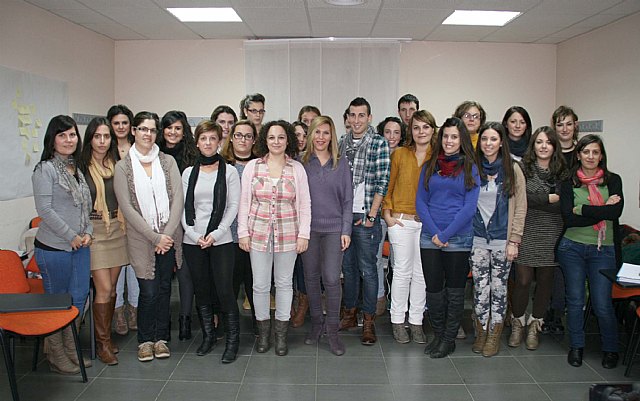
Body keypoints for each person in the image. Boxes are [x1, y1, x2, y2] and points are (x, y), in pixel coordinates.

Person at [114, 111, 184, 363]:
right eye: (143, 129)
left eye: (152, 130)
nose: (148, 134)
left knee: (165, 289)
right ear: (134, 131)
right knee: (148, 291)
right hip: (141, 239)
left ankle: (161, 338)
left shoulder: (167, 162)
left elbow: (178, 200)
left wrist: (166, 235)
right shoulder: (123, 167)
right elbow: (127, 207)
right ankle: (145, 341)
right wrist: (154, 238)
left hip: (169, 237)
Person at [237, 120, 311, 356]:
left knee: (284, 284)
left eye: (281, 137)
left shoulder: (297, 169)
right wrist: (242, 232)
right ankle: (263, 334)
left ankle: (281, 336)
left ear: (288, 140)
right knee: (259, 285)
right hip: (257, 234)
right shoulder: (253, 167)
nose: (276, 142)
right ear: (264, 141)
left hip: (289, 234)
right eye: (271, 137)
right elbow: (244, 202)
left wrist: (304, 234)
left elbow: (305, 204)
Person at [32, 115, 93, 375]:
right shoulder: (45, 169)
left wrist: (88, 232)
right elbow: (45, 209)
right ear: (52, 139)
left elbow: (86, 207)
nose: (69, 140)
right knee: (57, 301)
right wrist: (71, 235)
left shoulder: (75, 168)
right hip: (54, 248)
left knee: (78, 298)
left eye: (72, 135)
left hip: (80, 246)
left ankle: (71, 347)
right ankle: (55, 353)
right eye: (62, 135)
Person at [557, 134, 623, 369]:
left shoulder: (613, 181)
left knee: (602, 303)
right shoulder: (568, 182)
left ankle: (611, 349)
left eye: (596, 152)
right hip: (571, 248)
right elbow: (569, 219)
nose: (591, 156)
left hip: (603, 250)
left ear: (601, 156)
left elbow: (615, 214)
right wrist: (602, 208)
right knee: (575, 301)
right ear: (578, 155)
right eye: (586, 152)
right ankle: (576, 347)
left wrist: (582, 209)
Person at [416, 117, 480, 358]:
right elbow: (420, 202)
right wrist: (435, 232)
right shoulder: (430, 165)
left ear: (462, 140)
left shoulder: (471, 168)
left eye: (454, 137)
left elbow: (469, 208)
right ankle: (439, 334)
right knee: (433, 290)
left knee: (454, 291)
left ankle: (448, 339)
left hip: (458, 237)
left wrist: (445, 234)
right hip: (430, 237)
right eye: (446, 136)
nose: (449, 141)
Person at [182, 120, 241, 363]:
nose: (208, 143)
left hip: (222, 240)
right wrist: (194, 235)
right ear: (197, 142)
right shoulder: (188, 172)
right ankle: (208, 337)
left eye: (212, 138)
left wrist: (216, 234)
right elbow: (183, 209)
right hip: (193, 240)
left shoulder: (229, 172)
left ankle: (232, 341)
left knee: (225, 290)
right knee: (202, 290)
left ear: (220, 142)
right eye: (203, 138)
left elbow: (233, 206)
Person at [469, 122, 527, 357]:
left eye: (493, 139)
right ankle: (481, 331)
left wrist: (514, 240)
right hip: (477, 238)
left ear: (501, 142)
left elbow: (520, 207)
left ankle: (494, 334)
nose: (488, 143)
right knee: (480, 288)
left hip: (503, 240)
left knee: (499, 289)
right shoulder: (473, 168)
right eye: (484, 139)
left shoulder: (513, 169)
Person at [338, 97, 390, 346]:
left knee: (368, 270)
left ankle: (368, 321)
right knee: (347, 269)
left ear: (369, 118)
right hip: (344, 216)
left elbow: (382, 181)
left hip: (366, 215)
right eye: (353, 115)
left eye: (362, 115)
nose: (357, 120)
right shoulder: (341, 143)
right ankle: (350, 314)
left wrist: (372, 215)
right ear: (347, 118)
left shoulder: (378, 143)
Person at [510, 127, 567, 351]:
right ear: (533, 145)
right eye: (539, 142)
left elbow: (562, 205)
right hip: (525, 231)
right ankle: (517, 323)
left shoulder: (562, 172)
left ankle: (535, 324)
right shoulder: (522, 168)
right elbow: (518, 199)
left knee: (545, 282)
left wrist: (535, 200)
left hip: (552, 232)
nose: (544, 146)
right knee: (523, 281)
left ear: (554, 146)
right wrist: (547, 198)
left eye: (548, 142)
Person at [78, 117, 129, 366]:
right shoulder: (81, 167)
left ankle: (106, 337)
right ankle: (103, 344)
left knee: (113, 289)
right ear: (90, 139)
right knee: (105, 289)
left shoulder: (116, 164)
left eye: (106, 136)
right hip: (95, 231)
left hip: (117, 229)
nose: (102, 141)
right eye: (97, 136)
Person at [382, 110, 436, 344]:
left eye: (425, 127)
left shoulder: (438, 157)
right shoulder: (400, 154)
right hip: (401, 221)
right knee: (402, 272)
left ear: (433, 130)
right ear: (410, 131)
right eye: (416, 127)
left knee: (421, 273)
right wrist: (387, 215)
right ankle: (397, 320)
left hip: (427, 224)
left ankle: (416, 321)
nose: (421, 132)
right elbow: (388, 185)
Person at [301, 116, 353, 355]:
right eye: (317, 132)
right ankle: (317, 324)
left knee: (331, 279)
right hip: (308, 230)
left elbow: (348, 199)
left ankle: (332, 331)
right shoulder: (301, 162)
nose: (321, 137)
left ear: (332, 135)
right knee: (311, 278)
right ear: (310, 134)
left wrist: (346, 230)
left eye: (326, 132)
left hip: (334, 229)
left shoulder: (340, 163)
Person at [158, 110, 197, 341]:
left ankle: (185, 319)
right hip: (160, 223)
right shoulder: (154, 154)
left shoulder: (192, 156)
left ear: (184, 132)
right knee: (162, 274)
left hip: (186, 221)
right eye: (169, 127)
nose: (173, 132)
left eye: (178, 128)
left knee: (185, 273)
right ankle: (163, 321)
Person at [220, 120, 258, 334]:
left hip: (255, 234)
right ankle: (228, 326)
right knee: (229, 283)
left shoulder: (261, 164)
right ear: (231, 138)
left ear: (254, 140)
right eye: (239, 135)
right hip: (227, 234)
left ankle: (259, 325)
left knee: (255, 282)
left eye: (248, 136)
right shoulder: (222, 164)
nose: (243, 140)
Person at [107, 104, 139, 336]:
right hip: (112, 216)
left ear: (131, 126)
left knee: (135, 265)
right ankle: (117, 312)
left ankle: (134, 310)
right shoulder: (104, 150)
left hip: (137, 216)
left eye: (124, 123)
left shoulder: (139, 148)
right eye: (116, 123)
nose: (120, 127)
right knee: (116, 265)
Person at [375, 116, 407, 315]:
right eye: (387, 132)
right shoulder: (376, 154)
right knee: (375, 258)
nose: (391, 136)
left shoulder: (406, 156)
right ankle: (379, 297)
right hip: (378, 215)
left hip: (399, 217)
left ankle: (396, 300)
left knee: (398, 262)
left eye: (396, 132)